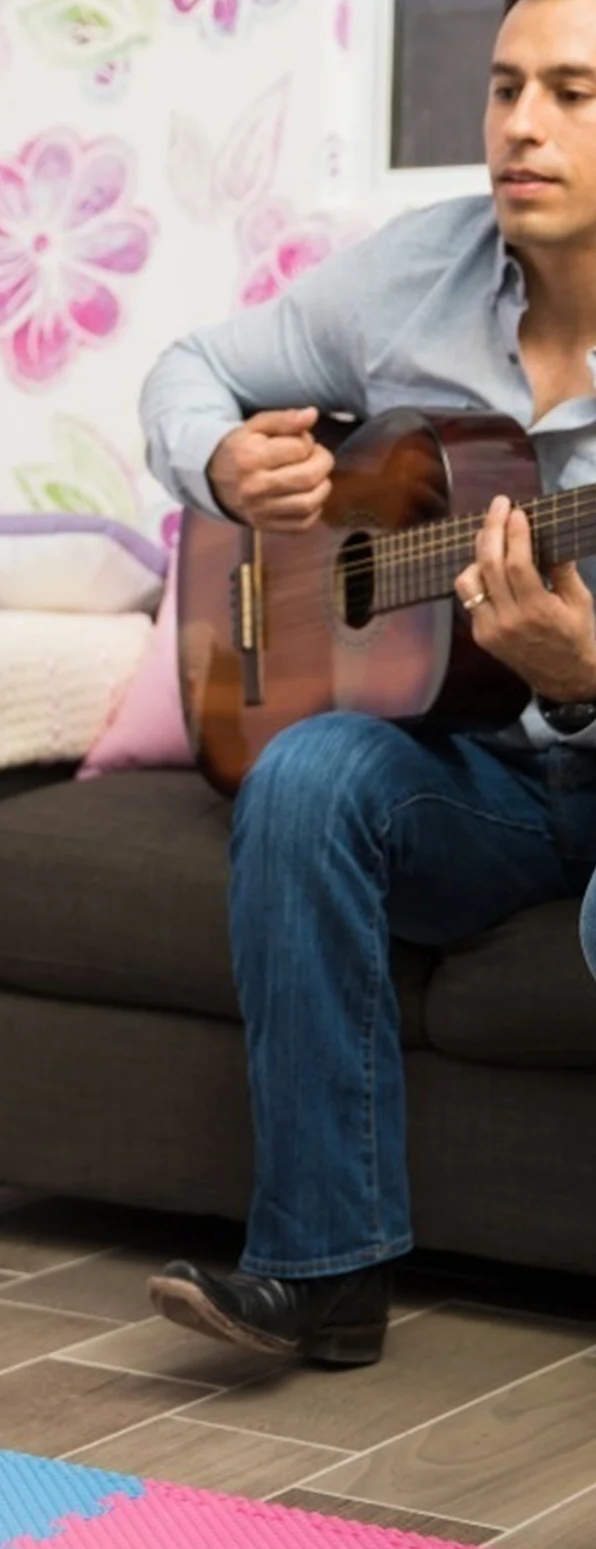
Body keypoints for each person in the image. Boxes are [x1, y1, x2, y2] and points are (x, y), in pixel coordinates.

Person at [138, 0, 596, 1366]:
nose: (520, 124)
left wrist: (584, 677)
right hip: (476, 779)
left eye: (573, 93)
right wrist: (219, 465)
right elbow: (196, 366)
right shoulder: (414, 275)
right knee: (306, 773)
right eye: (506, 86)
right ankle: (322, 1276)